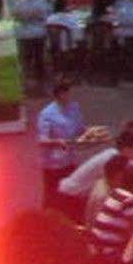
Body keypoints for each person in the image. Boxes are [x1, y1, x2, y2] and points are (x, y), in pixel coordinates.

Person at [36, 80, 86, 213]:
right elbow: (42, 139)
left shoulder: (74, 108)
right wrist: (57, 142)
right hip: (54, 163)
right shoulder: (47, 114)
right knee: (52, 195)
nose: (69, 97)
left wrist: (90, 134)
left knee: (71, 190)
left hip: (70, 159)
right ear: (59, 95)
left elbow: (80, 128)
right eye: (66, 94)